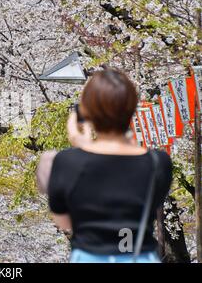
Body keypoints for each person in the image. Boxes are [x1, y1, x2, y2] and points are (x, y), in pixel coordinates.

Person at [36, 68, 172, 263]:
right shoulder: (158, 162)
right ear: (132, 107)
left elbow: (64, 221)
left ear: (86, 113)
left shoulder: (66, 162)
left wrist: (81, 144)